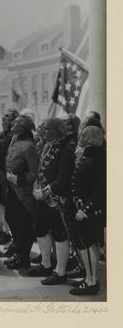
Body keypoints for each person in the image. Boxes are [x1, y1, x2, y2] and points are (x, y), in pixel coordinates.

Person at [28, 118, 74, 285]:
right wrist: (36, 186)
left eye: (47, 129)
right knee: (40, 229)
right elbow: (42, 170)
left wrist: (45, 191)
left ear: (56, 130)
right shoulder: (47, 145)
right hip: (41, 196)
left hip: (56, 199)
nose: (43, 131)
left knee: (59, 234)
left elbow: (63, 179)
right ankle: (46, 264)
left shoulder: (66, 148)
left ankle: (60, 272)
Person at [69, 126, 106, 296]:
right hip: (82, 206)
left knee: (89, 243)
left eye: (83, 135)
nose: (79, 136)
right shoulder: (89, 153)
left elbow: (101, 188)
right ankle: (89, 277)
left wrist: (86, 209)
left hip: (89, 210)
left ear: (91, 138)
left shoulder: (99, 156)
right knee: (86, 242)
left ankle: (91, 282)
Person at [4, 114, 38, 270]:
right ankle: (18, 253)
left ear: (23, 127)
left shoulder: (29, 145)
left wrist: (19, 179)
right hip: (12, 190)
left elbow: (33, 172)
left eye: (16, 122)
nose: (13, 123)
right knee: (11, 219)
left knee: (23, 225)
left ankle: (23, 258)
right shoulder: (15, 140)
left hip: (23, 193)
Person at [0, 107, 19, 247]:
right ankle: (6, 234)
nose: (3, 118)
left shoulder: (13, 136)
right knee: (3, 206)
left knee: (10, 209)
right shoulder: (3, 133)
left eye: (7, 116)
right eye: (3, 116)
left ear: (14, 120)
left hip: (7, 175)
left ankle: (14, 239)